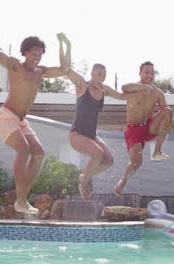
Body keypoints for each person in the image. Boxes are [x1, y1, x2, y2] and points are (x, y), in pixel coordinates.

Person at [0, 22, 69, 214]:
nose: (37, 57)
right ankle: (20, 199)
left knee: (39, 153)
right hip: (5, 116)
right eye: (34, 53)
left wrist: (65, 44)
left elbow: (64, 69)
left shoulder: (40, 72)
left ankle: (22, 198)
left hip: (20, 120)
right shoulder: (14, 65)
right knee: (24, 149)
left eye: (40, 54)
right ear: (25, 52)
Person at [57, 34, 136, 200]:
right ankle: (83, 182)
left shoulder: (104, 89)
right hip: (77, 134)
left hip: (91, 135)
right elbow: (65, 68)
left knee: (109, 160)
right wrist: (66, 44)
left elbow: (122, 97)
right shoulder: (82, 85)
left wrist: (142, 91)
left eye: (103, 74)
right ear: (92, 73)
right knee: (98, 155)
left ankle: (84, 177)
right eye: (98, 73)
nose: (101, 76)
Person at [114, 61, 174, 196]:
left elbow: (166, 112)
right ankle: (123, 180)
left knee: (168, 111)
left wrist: (168, 123)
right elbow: (123, 87)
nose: (150, 75)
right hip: (133, 130)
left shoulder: (157, 92)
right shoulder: (133, 88)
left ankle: (157, 151)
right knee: (136, 163)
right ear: (140, 73)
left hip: (148, 127)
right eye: (146, 72)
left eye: (152, 73)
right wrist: (141, 88)